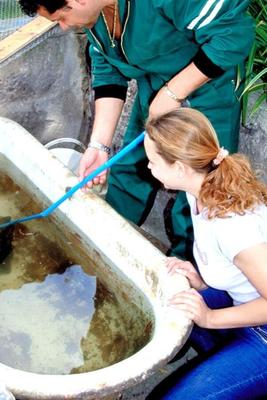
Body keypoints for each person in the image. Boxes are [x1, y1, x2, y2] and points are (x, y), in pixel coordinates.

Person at [18, 0, 254, 260]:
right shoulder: (94, 14)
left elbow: (232, 35)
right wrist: (99, 146)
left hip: (207, 93)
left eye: (61, 17)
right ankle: (102, 246)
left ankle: (187, 270)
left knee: (197, 189)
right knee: (129, 171)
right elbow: (108, 67)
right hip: (154, 89)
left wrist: (174, 92)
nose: (63, 27)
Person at [143, 108, 267, 399]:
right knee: (165, 305)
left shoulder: (233, 228)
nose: (148, 167)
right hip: (244, 304)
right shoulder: (200, 187)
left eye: (152, 161)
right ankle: (226, 368)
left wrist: (209, 317)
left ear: (180, 168)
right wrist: (201, 281)